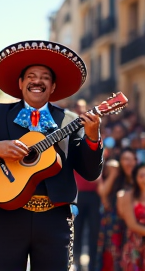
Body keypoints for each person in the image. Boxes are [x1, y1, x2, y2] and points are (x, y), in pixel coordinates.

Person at [0, 40, 104, 271]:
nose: (38, 81)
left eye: (45, 77)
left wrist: (93, 138)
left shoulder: (69, 120)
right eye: (31, 76)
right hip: (6, 216)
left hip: (54, 219)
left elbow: (91, 172)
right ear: (21, 83)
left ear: (53, 86)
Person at [96, 147, 137, 271]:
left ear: (136, 161)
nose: (128, 163)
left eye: (131, 159)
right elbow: (102, 192)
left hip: (133, 225)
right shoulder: (117, 178)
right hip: (114, 225)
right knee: (111, 259)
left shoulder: (140, 177)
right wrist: (113, 173)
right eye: (125, 159)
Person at [72, 99, 101, 271]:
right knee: (76, 231)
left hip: (94, 194)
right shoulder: (68, 130)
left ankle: (92, 265)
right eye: (78, 108)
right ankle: (75, 262)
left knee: (93, 232)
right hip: (76, 194)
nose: (80, 111)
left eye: (83, 109)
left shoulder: (94, 132)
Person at [117, 163, 145, 270]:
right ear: (135, 178)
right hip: (134, 246)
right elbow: (131, 224)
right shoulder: (128, 196)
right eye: (141, 175)